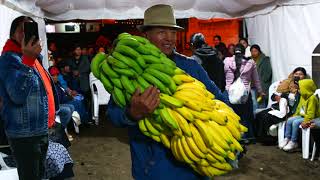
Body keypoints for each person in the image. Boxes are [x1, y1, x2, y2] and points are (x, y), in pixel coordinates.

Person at [107, 4, 228, 180]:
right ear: (146, 34)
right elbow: (113, 114)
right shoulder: (130, 71)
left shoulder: (190, 66)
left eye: (172, 32)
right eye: (161, 32)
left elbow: (219, 99)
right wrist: (132, 113)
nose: (169, 38)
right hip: (151, 170)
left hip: (193, 167)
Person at [0, 16, 60, 180]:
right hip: (25, 135)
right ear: (13, 34)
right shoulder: (9, 59)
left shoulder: (34, 58)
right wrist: (28, 59)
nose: (26, 34)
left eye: (30, 29)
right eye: (22, 30)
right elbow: (17, 95)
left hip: (40, 130)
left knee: (39, 176)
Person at [224, 43, 265, 143]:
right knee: (246, 116)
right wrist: (260, 91)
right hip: (244, 94)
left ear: (234, 51)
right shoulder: (250, 63)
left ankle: (232, 136)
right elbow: (256, 80)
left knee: (231, 115)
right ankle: (246, 136)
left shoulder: (226, 61)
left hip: (230, 92)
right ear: (244, 51)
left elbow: (224, 75)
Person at [254, 79, 300, 144]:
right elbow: (273, 97)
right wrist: (276, 97)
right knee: (259, 115)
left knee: (266, 117)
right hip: (276, 107)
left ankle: (268, 138)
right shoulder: (285, 87)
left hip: (287, 111)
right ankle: (260, 136)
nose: (292, 86)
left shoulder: (299, 92)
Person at [280, 79, 319, 151]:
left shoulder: (312, 98)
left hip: (311, 118)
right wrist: (294, 115)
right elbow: (299, 108)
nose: (298, 90)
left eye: (300, 88)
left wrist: (306, 121)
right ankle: (287, 138)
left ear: (306, 88)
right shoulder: (303, 96)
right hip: (302, 115)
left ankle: (293, 141)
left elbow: (311, 113)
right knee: (289, 120)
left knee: (295, 122)